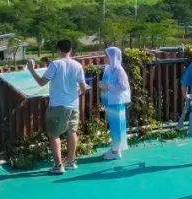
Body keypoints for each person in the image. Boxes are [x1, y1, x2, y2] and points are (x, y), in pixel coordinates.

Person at [27, 39, 89, 175]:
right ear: (70, 50)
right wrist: (74, 94)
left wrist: (31, 69)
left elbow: (42, 82)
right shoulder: (78, 65)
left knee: (54, 135)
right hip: (74, 105)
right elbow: (84, 88)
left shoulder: (55, 64)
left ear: (58, 50)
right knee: (72, 132)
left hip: (58, 105)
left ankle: (58, 165)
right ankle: (70, 162)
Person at [99, 46, 130, 160]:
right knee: (114, 126)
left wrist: (107, 87)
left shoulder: (118, 70)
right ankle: (115, 148)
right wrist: (103, 85)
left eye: (106, 55)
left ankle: (116, 151)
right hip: (110, 101)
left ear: (113, 56)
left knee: (117, 126)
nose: (104, 57)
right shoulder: (109, 68)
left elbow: (123, 86)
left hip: (116, 102)